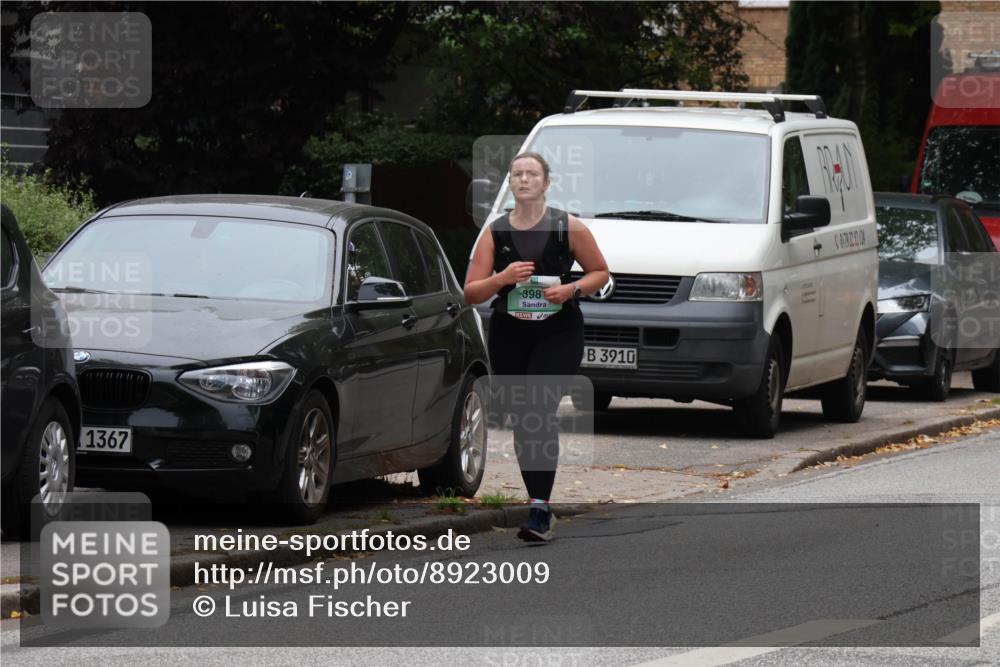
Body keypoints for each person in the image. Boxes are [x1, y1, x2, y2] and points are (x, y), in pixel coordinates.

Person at [464, 152, 609, 542]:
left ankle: (541, 511)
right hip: (511, 332)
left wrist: (572, 288)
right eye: (517, 174)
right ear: (510, 184)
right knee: (522, 417)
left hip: (558, 331)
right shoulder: (495, 232)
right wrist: (503, 278)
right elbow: (471, 291)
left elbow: (601, 272)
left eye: (532, 174)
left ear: (546, 183)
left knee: (539, 409)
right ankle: (536, 501)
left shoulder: (568, 227)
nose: (524, 179)